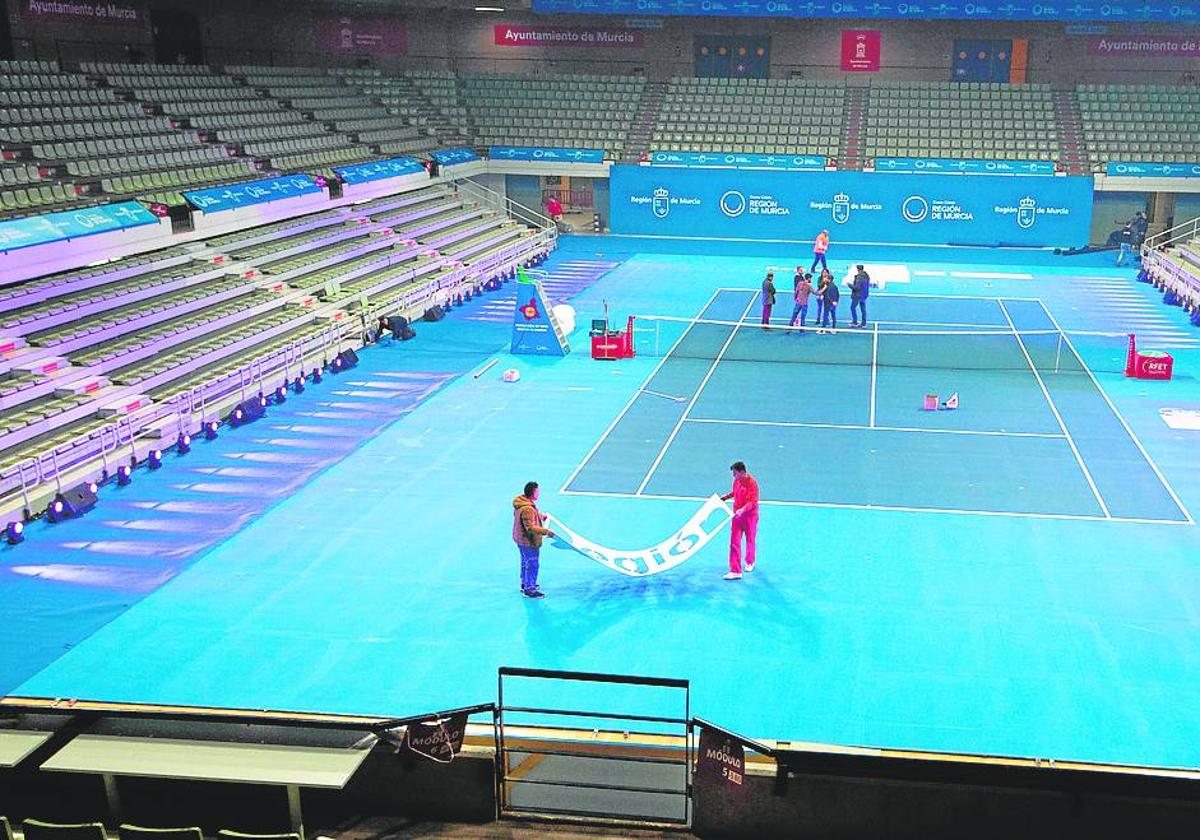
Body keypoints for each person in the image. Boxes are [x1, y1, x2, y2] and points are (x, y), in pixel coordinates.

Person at [513, 481, 555, 598]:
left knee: (525, 562)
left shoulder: (523, 503)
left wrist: (541, 516)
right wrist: (546, 532)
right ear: (532, 493)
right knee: (532, 564)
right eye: (537, 491)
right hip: (528, 542)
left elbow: (529, 517)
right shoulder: (527, 509)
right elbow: (530, 527)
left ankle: (525, 584)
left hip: (520, 539)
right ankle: (530, 589)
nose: (539, 493)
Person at [719, 461, 759, 580]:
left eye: (735, 473)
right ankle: (735, 570)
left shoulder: (752, 484)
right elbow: (735, 493)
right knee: (734, 542)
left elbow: (753, 502)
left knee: (750, 539)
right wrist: (725, 497)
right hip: (737, 516)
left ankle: (750, 561)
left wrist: (743, 509)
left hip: (750, 516)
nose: (733, 476)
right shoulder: (736, 480)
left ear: (742, 472)